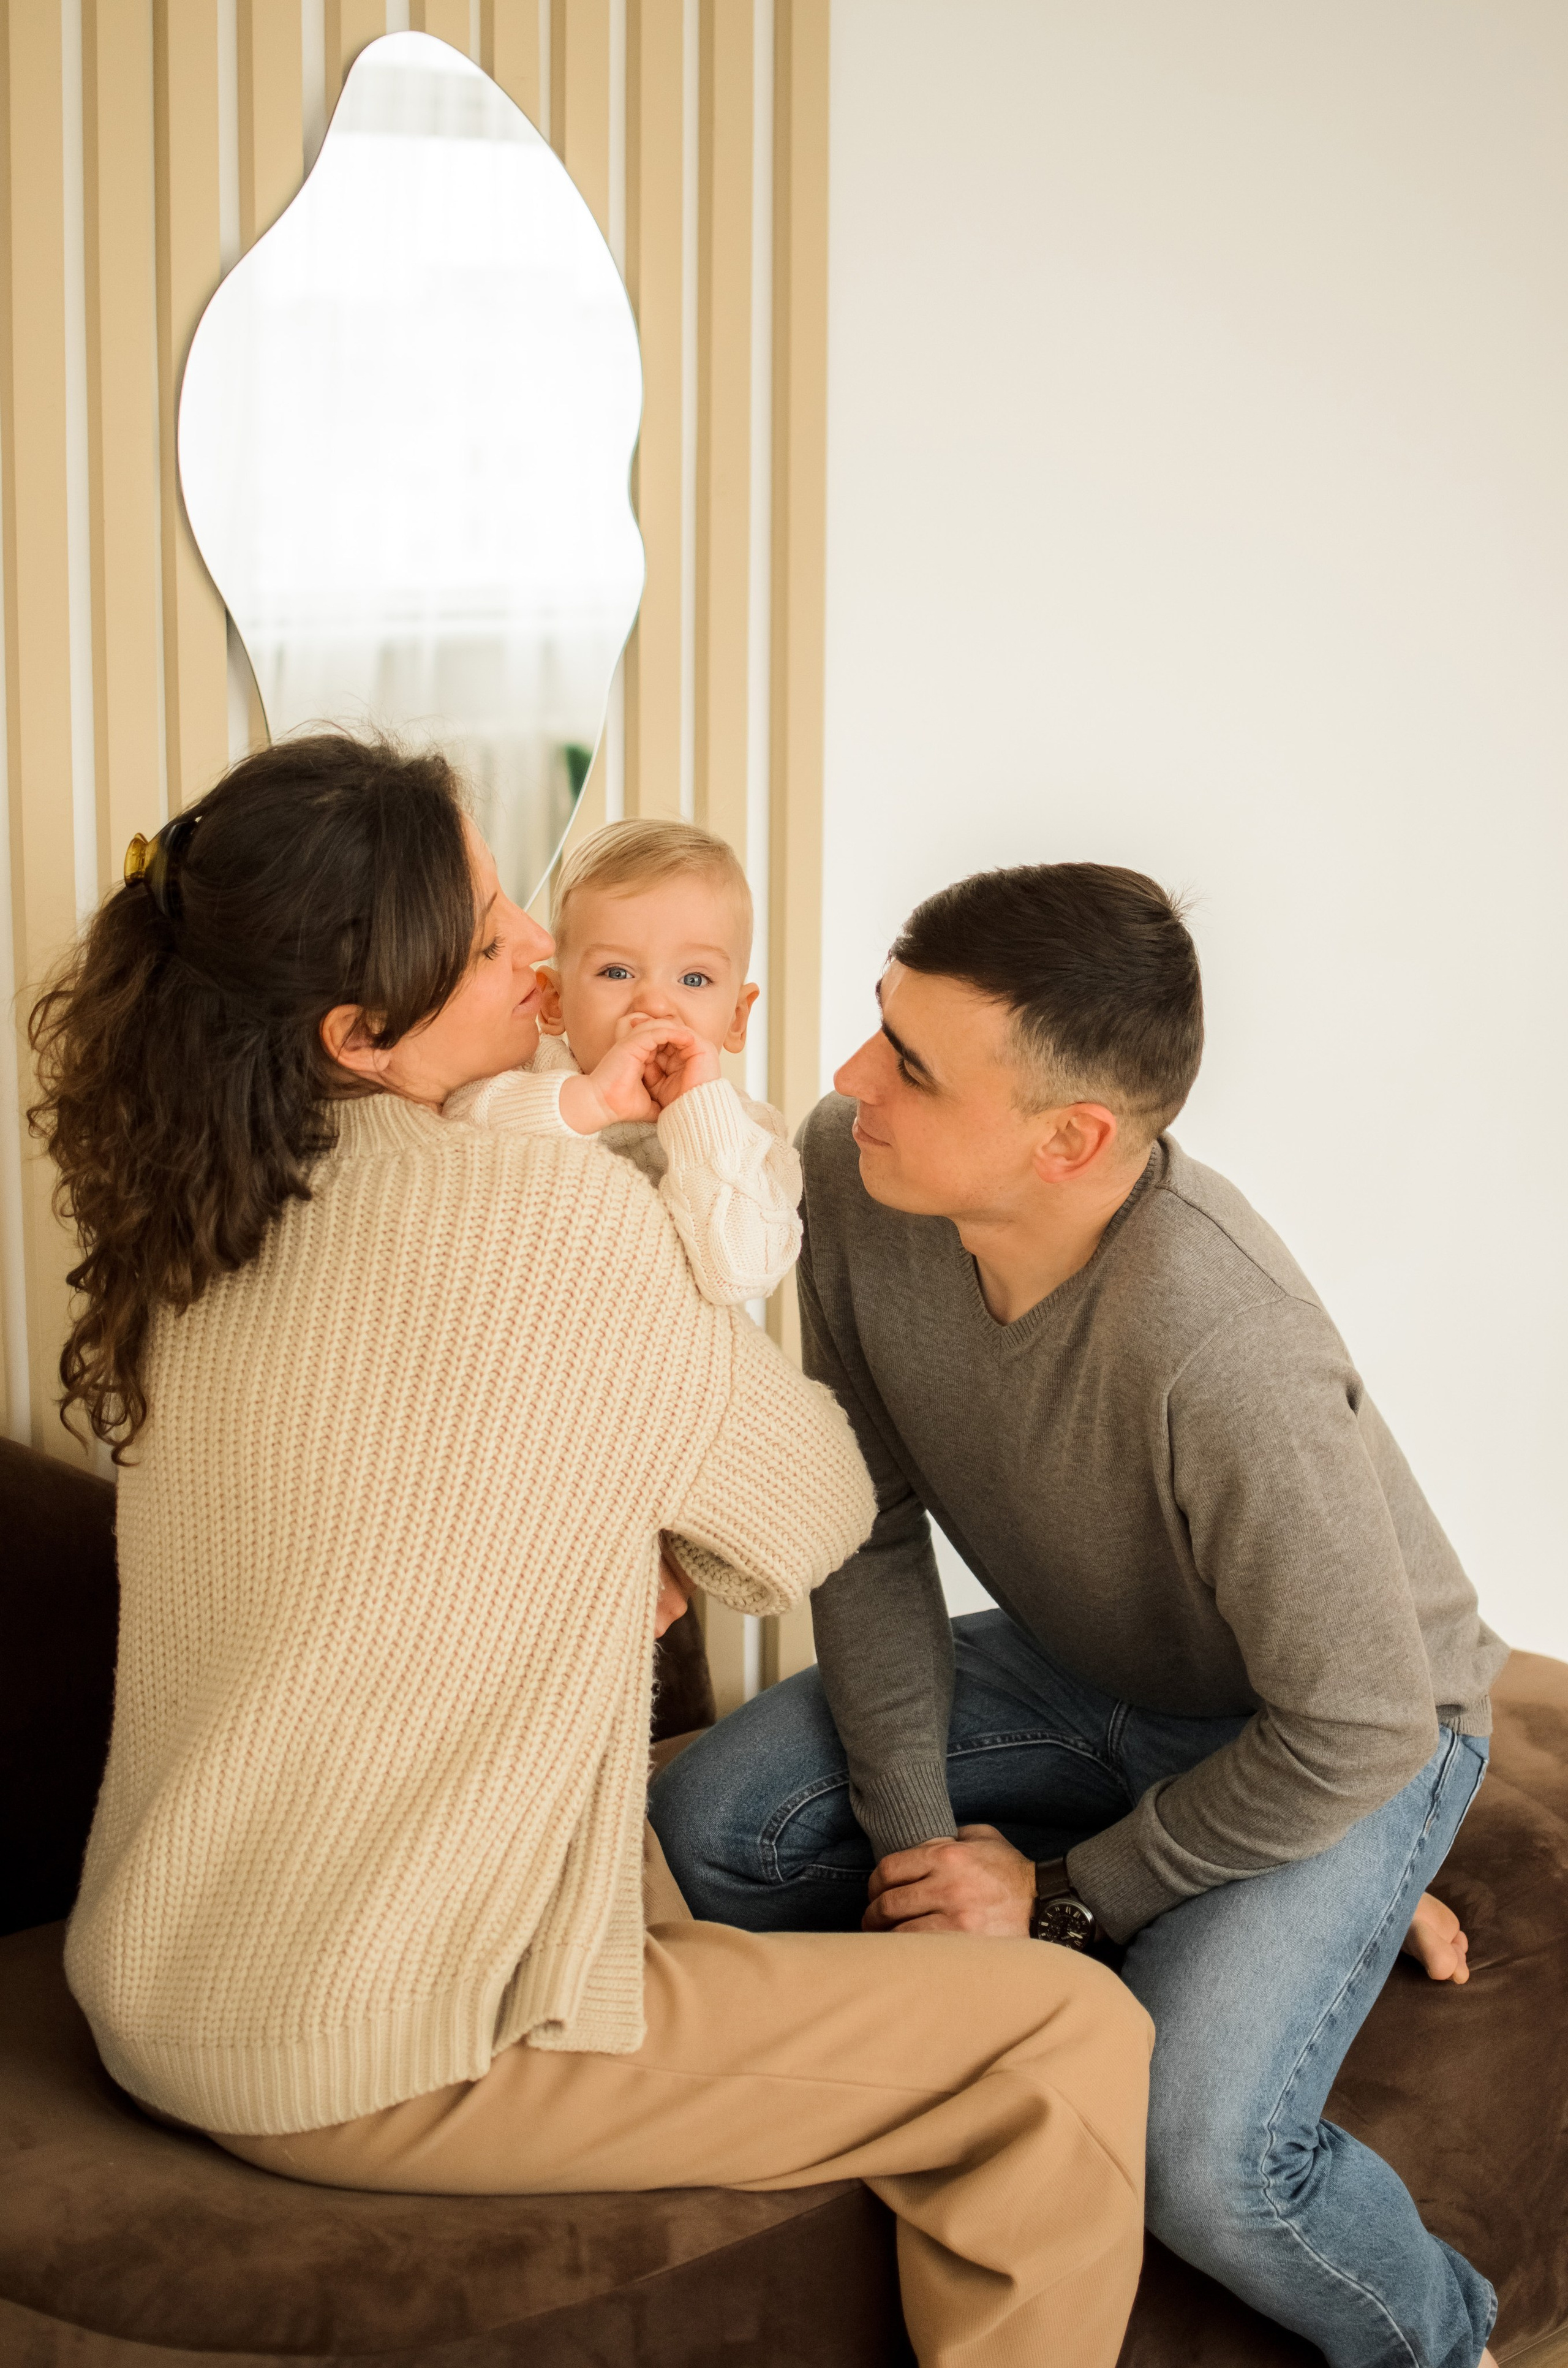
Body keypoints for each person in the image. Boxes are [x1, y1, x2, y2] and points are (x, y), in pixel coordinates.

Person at [30, 742, 1154, 2368]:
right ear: (359, 1034)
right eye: (493, 943)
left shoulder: (204, 1224)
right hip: (374, 2039)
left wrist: (598, 1509)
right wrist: (651, 1492)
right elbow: (810, 1512)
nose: (545, 960)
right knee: (1067, 2031)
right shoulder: (546, 1217)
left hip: (159, 1977)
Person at [652, 861, 1508, 2368]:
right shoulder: (854, 1171)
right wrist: (924, 1862)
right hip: (1085, 1672)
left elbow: (1357, 1719)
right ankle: (1282, 1905)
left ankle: (1449, 2341)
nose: (851, 1083)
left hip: (1342, 1735)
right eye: (876, 1029)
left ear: (1071, 1139)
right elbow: (868, 1534)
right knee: (716, 1826)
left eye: (909, 1068)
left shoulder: (1217, 1344)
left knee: (1201, 2157)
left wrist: (1059, 1900)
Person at [446, 815, 799, 1306]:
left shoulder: (747, 1133)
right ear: (553, 1001)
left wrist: (698, 1113)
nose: (654, 1003)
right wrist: (588, 1101)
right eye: (616, 971)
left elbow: (741, 1274)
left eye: (694, 979)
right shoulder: (527, 1076)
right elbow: (454, 1128)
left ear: (737, 1018)